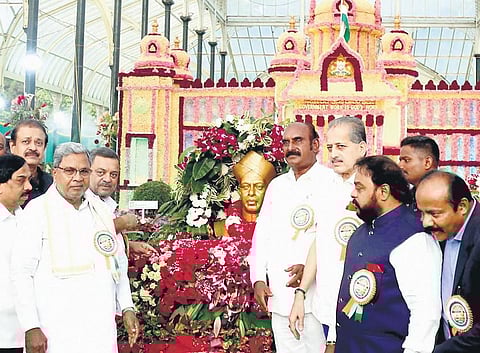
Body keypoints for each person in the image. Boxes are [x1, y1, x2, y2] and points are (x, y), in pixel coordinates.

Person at [11, 142, 139, 353]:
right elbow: (21, 273)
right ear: (55, 172)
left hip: (100, 329)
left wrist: (127, 307)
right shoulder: (37, 211)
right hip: (55, 330)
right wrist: (31, 326)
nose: (77, 178)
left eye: (84, 171)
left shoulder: (101, 211)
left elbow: (118, 263)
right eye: (69, 171)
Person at [335, 156, 442, 353]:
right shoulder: (361, 231)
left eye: (359, 188)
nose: (352, 193)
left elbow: (426, 312)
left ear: (383, 191)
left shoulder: (414, 237)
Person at [249, 121, 336, 353]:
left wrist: (310, 269)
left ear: (315, 145)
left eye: (298, 141)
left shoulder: (332, 182)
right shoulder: (277, 186)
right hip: (278, 294)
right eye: (286, 142)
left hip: (317, 295)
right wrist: (258, 278)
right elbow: (262, 234)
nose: (290, 147)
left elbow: (336, 239)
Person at [289, 116, 367, 351]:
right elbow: (319, 242)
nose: (334, 154)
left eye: (341, 147)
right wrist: (301, 294)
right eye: (330, 147)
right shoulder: (324, 186)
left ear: (362, 148)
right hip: (326, 303)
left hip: (363, 304)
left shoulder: (373, 188)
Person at [416, 170, 480, 353]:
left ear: (462, 207)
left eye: (434, 214)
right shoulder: (441, 232)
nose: (426, 222)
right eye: (422, 213)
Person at [89, 147, 155, 255]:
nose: (108, 179)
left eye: (113, 174)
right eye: (101, 172)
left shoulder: (106, 202)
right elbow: (86, 236)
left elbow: (104, 244)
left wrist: (131, 245)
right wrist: (123, 222)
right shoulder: (79, 201)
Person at [0, 155, 32, 353]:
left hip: (23, 329)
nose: (28, 187)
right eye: (21, 180)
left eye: (29, 179)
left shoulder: (28, 220)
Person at [9, 120, 52, 205]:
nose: (33, 148)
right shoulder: (3, 182)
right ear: (12, 146)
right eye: (26, 142)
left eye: (38, 143)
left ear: (45, 148)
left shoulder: (51, 185)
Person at [399, 135, 439, 212]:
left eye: (406, 160)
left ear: (427, 162)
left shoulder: (446, 193)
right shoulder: (407, 197)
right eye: (400, 160)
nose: (400, 166)